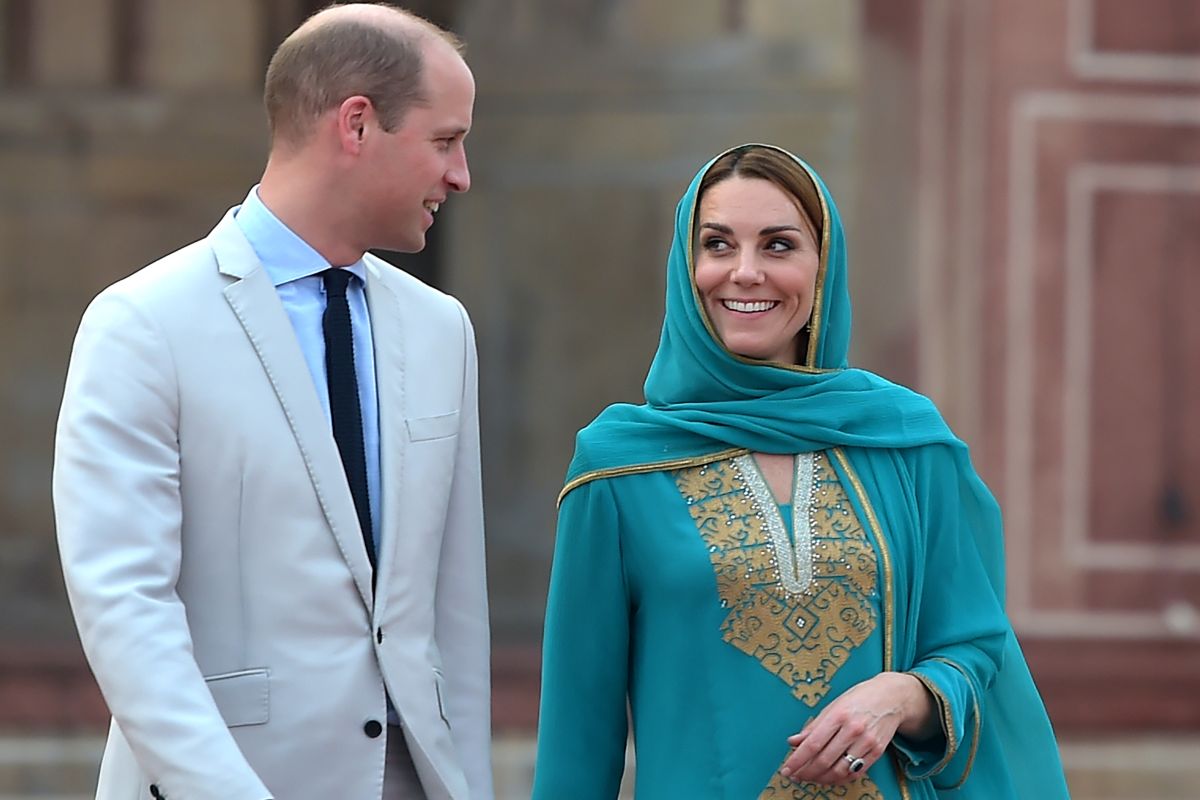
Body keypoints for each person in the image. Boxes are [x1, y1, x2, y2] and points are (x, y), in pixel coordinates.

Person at [532, 143, 1070, 799]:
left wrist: (903, 694)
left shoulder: (903, 441)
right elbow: (577, 734)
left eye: (779, 246)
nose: (745, 272)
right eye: (719, 245)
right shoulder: (618, 465)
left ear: (822, 272)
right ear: (686, 264)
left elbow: (976, 648)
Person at [52, 4, 490, 799]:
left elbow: (453, 618)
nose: (460, 175)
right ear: (356, 124)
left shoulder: (440, 329)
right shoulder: (143, 323)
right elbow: (125, 607)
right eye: (445, 141)